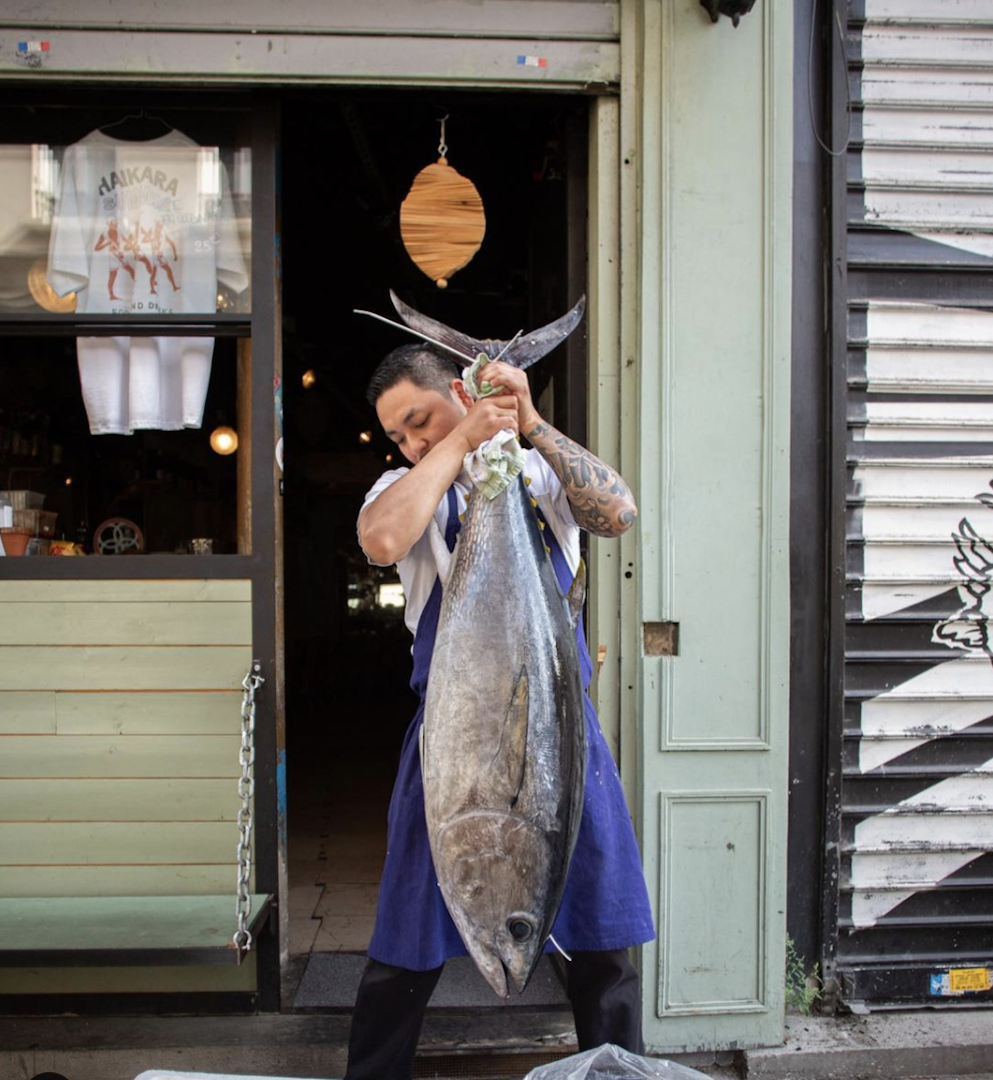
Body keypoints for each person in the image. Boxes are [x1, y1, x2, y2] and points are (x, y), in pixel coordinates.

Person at [346, 341, 655, 1080]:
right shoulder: (407, 484)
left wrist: (526, 420)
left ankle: (614, 1074)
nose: (411, 441)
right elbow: (382, 540)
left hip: (556, 732)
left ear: (457, 389)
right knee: (404, 941)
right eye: (399, 435)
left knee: (603, 945)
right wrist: (457, 440)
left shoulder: (541, 471)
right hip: (451, 742)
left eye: (419, 420)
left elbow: (616, 513)